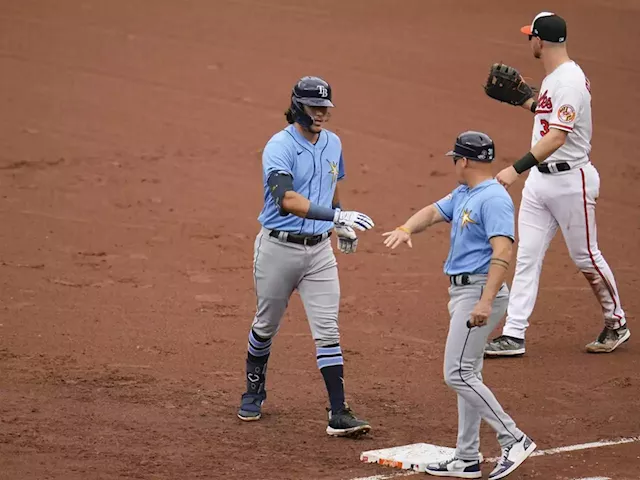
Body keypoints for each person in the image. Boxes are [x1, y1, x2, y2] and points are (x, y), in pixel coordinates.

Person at [383, 131, 536, 479]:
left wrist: (484, 302)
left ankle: (513, 438)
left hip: (480, 292)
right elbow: (433, 212)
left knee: (457, 373)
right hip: (464, 292)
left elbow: (503, 252)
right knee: (469, 372)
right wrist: (407, 228)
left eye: (455, 158)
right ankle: (467, 458)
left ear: (463, 161)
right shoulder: (466, 193)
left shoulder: (493, 198)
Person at [484, 12, 629, 357]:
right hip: (540, 183)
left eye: (529, 37)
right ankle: (514, 334)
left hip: (571, 182)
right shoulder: (553, 79)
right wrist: (528, 102)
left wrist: (514, 169)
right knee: (528, 257)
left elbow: (557, 138)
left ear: (538, 40)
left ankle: (617, 322)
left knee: (586, 257)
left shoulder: (569, 81)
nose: (528, 42)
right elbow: (550, 118)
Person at [237, 75, 374, 438]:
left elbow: (332, 183)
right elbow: (287, 199)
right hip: (278, 249)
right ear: (297, 105)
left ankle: (338, 411)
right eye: (315, 108)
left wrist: (339, 218)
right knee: (265, 326)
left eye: (325, 108)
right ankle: (254, 389)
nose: (321, 115)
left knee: (328, 330)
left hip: (319, 254)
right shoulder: (279, 147)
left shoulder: (333, 143)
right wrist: (336, 216)